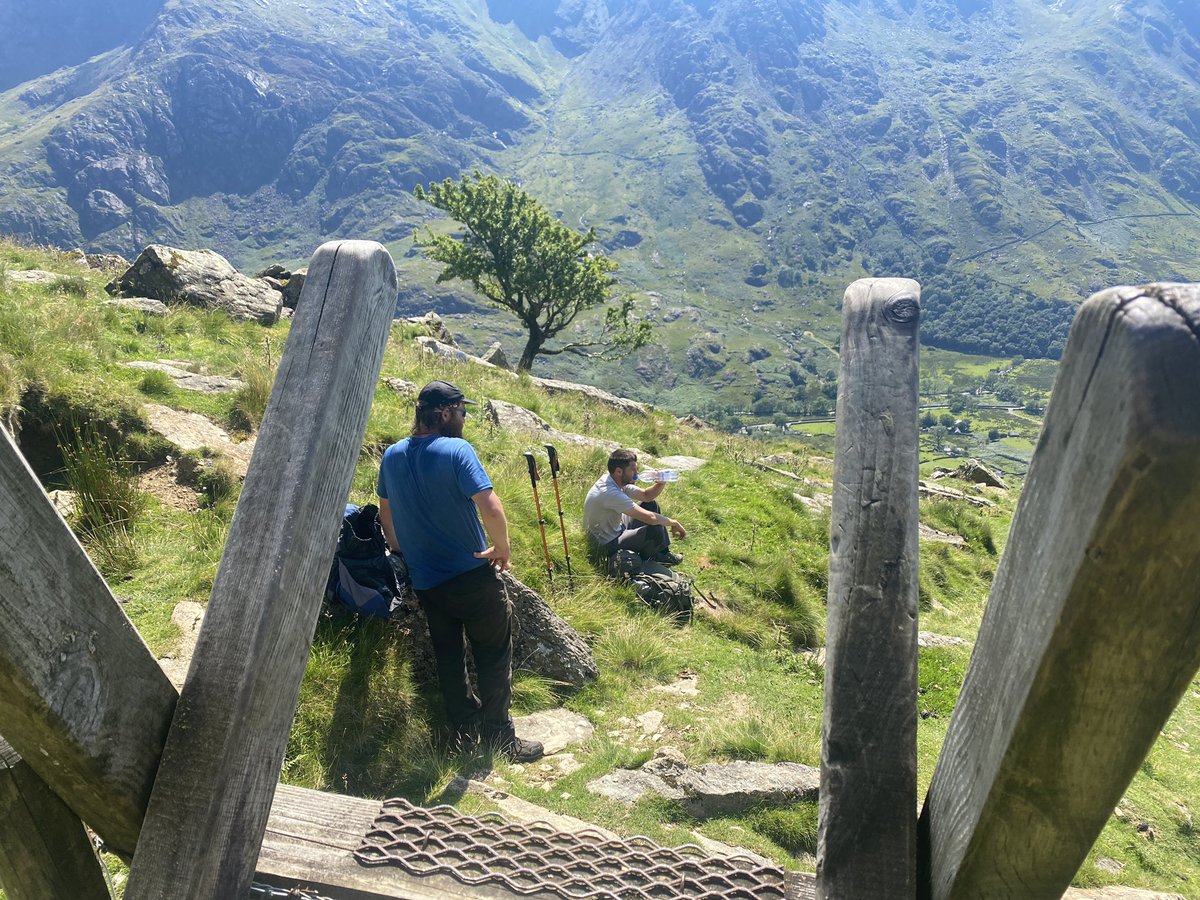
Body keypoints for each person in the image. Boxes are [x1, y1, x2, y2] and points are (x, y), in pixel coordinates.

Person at [377, 380, 543, 762]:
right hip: (472, 576)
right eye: (463, 412)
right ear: (446, 412)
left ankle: (464, 731)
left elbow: (387, 517)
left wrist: (404, 550)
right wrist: (502, 547)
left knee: (449, 656)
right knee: (493, 654)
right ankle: (501, 739)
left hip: (428, 582)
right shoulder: (456, 450)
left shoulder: (392, 455)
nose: (465, 419)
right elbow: (492, 506)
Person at [583, 448, 686, 565]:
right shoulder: (610, 493)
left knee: (651, 504)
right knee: (657, 528)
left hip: (617, 527)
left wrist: (661, 482)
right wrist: (674, 523)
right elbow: (650, 519)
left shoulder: (614, 480)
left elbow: (646, 495)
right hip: (606, 543)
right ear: (619, 471)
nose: (637, 474)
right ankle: (655, 558)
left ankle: (662, 552)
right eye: (633, 470)